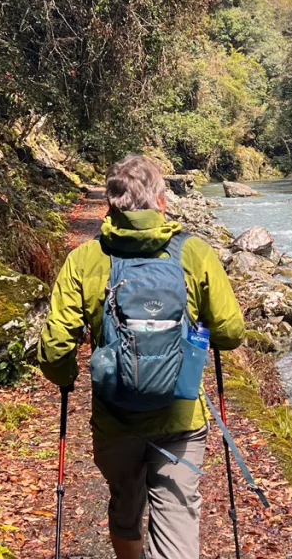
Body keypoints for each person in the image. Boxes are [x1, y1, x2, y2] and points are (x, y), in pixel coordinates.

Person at [37, 154, 245, 559]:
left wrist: (65, 378)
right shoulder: (193, 253)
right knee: (177, 514)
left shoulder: (85, 259)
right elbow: (231, 333)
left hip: (116, 418)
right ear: (162, 201)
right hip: (180, 416)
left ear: (108, 205)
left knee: (125, 507)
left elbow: (55, 347)